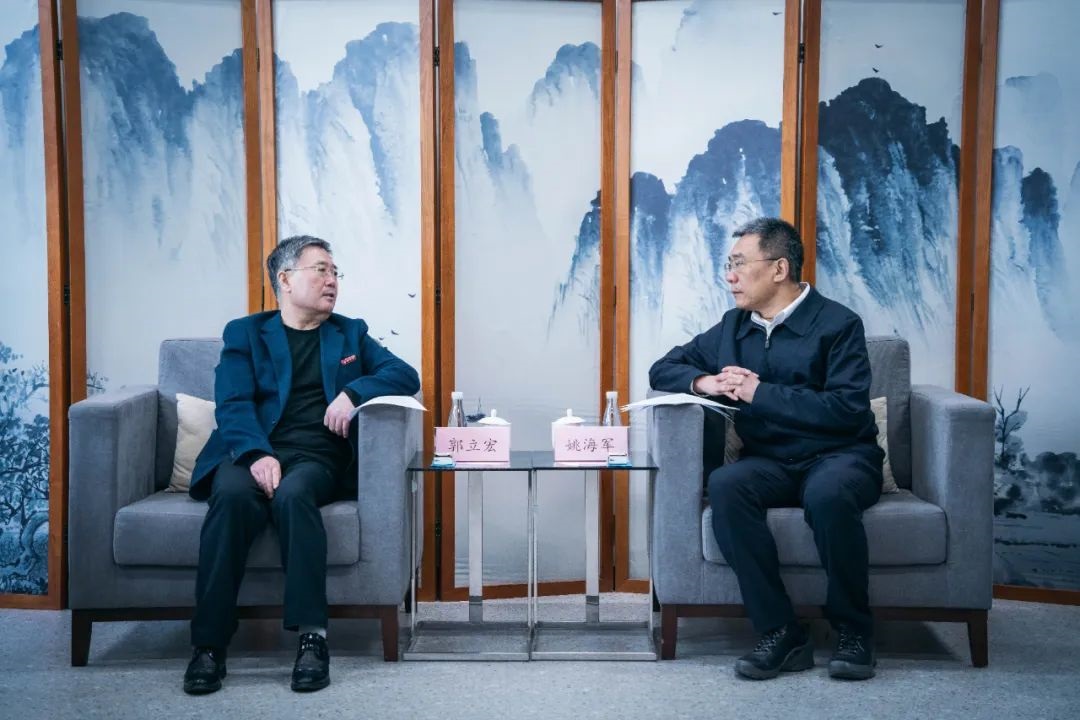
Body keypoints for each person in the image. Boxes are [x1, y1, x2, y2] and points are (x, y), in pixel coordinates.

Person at [182, 235, 420, 694]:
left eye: (335, 272)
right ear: (286, 279)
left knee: (294, 496)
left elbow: (404, 375)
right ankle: (208, 645)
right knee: (230, 498)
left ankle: (313, 639)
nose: (332, 281)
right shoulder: (246, 333)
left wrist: (353, 392)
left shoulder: (349, 333)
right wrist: (256, 454)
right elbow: (233, 402)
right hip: (251, 449)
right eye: (321, 270)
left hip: (316, 456)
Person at [649, 217, 884, 681]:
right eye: (728, 265)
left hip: (840, 456)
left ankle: (854, 631)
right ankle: (781, 632)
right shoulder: (733, 327)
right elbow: (664, 367)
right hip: (771, 461)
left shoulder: (838, 324)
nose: (729, 276)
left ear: (779, 269)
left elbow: (846, 409)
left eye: (739, 264)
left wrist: (759, 393)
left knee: (829, 495)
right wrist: (706, 382)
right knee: (727, 485)